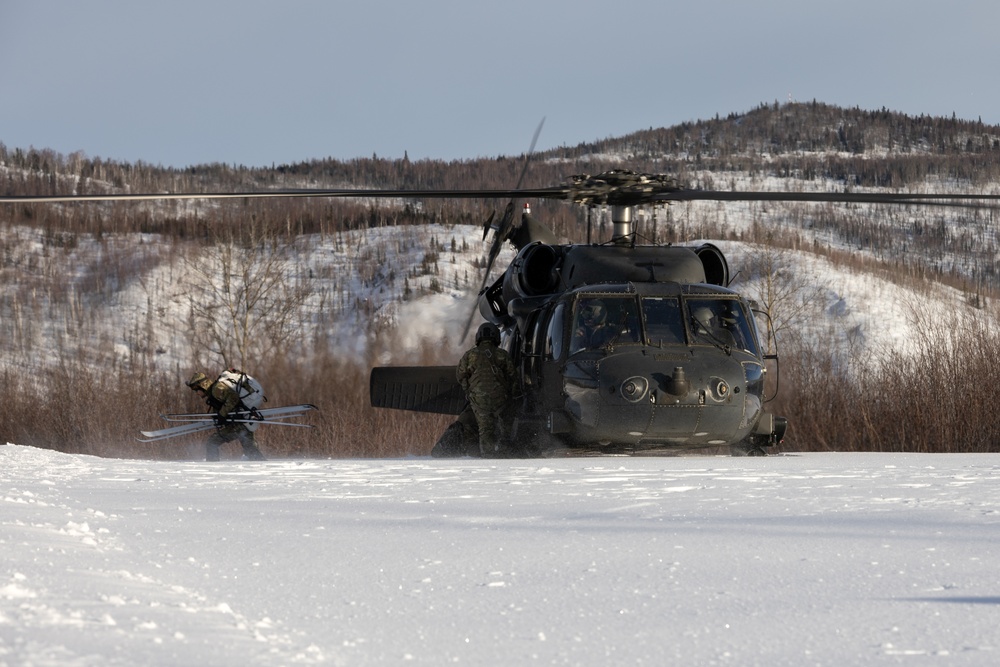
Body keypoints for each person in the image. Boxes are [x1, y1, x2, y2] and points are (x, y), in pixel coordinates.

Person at [456, 323, 518, 457]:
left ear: (478, 337)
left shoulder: (469, 355)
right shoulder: (502, 355)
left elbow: (460, 375)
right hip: (500, 398)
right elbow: (513, 376)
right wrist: (511, 394)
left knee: (485, 430)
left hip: (478, 400)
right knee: (504, 428)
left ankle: (488, 456)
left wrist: (469, 391)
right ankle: (505, 454)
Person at [186, 371, 267, 461]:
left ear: (203, 385)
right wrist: (220, 416)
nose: (196, 393)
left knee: (212, 442)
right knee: (251, 450)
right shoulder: (213, 392)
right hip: (242, 423)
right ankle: (262, 466)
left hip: (239, 425)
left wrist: (222, 414)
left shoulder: (217, 389)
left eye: (196, 390)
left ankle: (212, 467)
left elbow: (233, 398)